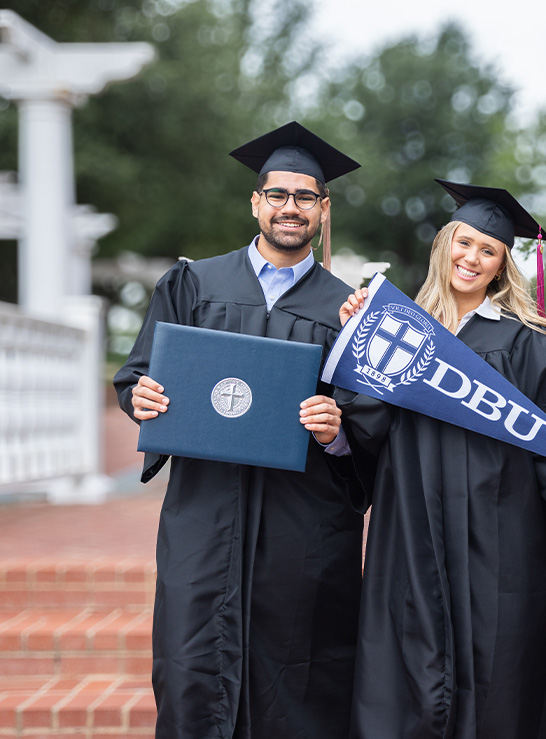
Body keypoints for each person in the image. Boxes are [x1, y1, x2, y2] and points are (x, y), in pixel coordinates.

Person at [113, 121, 367, 738]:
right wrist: (140, 398)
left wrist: (338, 430)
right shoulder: (194, 284)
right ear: (256, 202)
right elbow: (137, 376)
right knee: (190, 661)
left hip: (303, 525)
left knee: (299, 670)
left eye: (305, 197)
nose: (290, 207)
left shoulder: (349, 308)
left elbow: (371, 426)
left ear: (323, 210)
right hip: (206, 511)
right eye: (277, 195)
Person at [336, 180, 546, 739]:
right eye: (464, 244)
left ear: (503, 264)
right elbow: (367, 425)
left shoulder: (524, 340)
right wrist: (354, 339)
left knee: (498, 665)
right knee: (405, 654)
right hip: (411, 522)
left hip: (499, 530)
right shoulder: (405, 327)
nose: (472, 258)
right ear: (444, 246)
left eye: (489, 251)